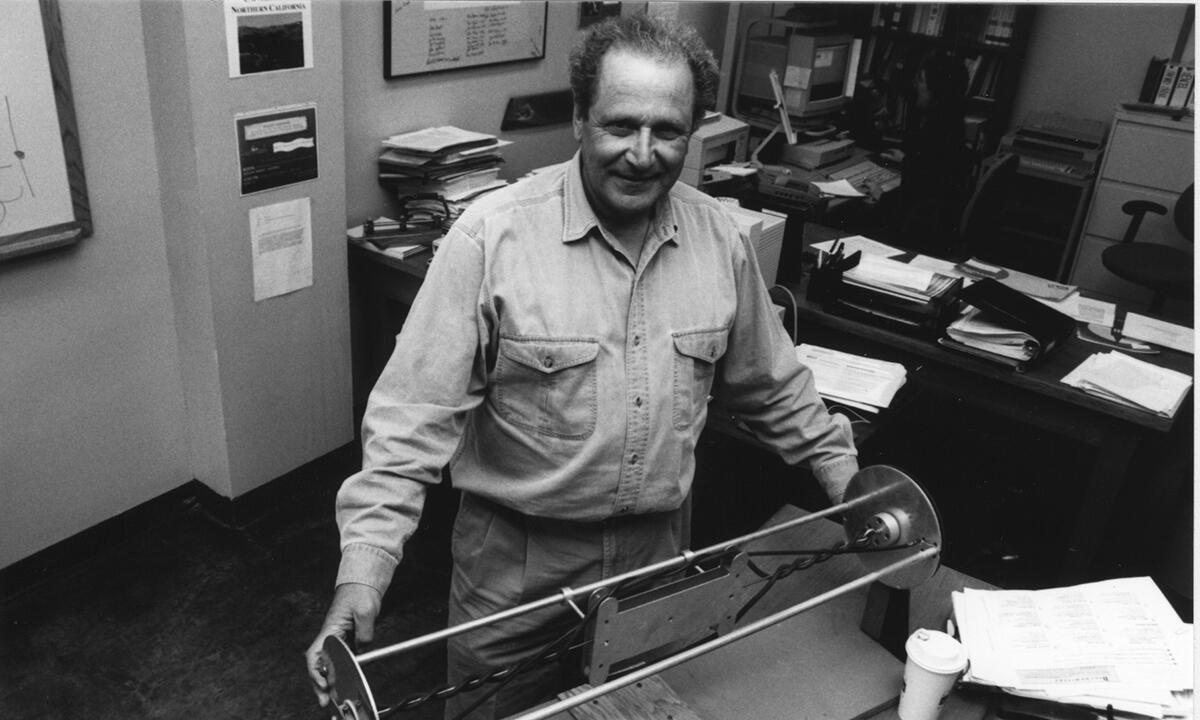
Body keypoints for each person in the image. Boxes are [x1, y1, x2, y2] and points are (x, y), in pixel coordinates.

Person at [306, 13, 859, 720]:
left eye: (668, 131)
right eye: (619, 126)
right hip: (515, 579)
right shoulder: (491, 237)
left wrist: (852, 484)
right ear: (578, 119)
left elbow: (775, 386)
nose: (642, 153)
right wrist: (362, 576)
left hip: (655, 567)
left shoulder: (719, 236)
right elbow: (408, 425)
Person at [870, 52, 971, 258]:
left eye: (922, 80)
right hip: (935, 234)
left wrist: (881, 196)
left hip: (916, 240)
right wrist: (907, 160)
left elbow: (915, 196)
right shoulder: (952, 126)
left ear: (937, 89)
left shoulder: (933, 133)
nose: (917, 85)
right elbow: (930, 173)